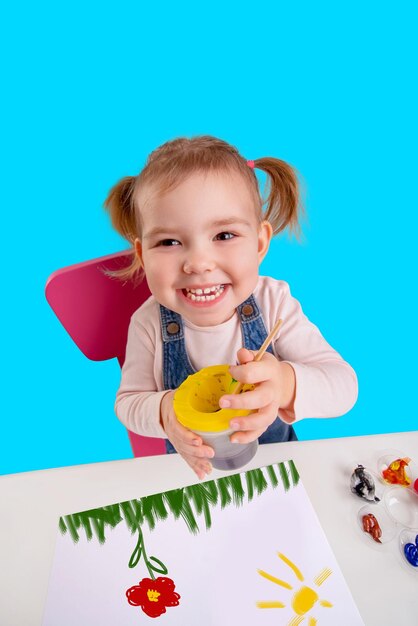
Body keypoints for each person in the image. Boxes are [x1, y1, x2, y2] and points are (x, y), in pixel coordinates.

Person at [105, 135, 358, 479]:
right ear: (142, 256)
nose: (198, 263)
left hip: (278, 472)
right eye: (169, 242)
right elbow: (128, 403)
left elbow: (344, 386)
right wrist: (165, 411)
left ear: (259, 243)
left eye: (224, 235)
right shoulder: (149, 323)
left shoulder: (273, 303)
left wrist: (284, 385)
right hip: (193, 479)